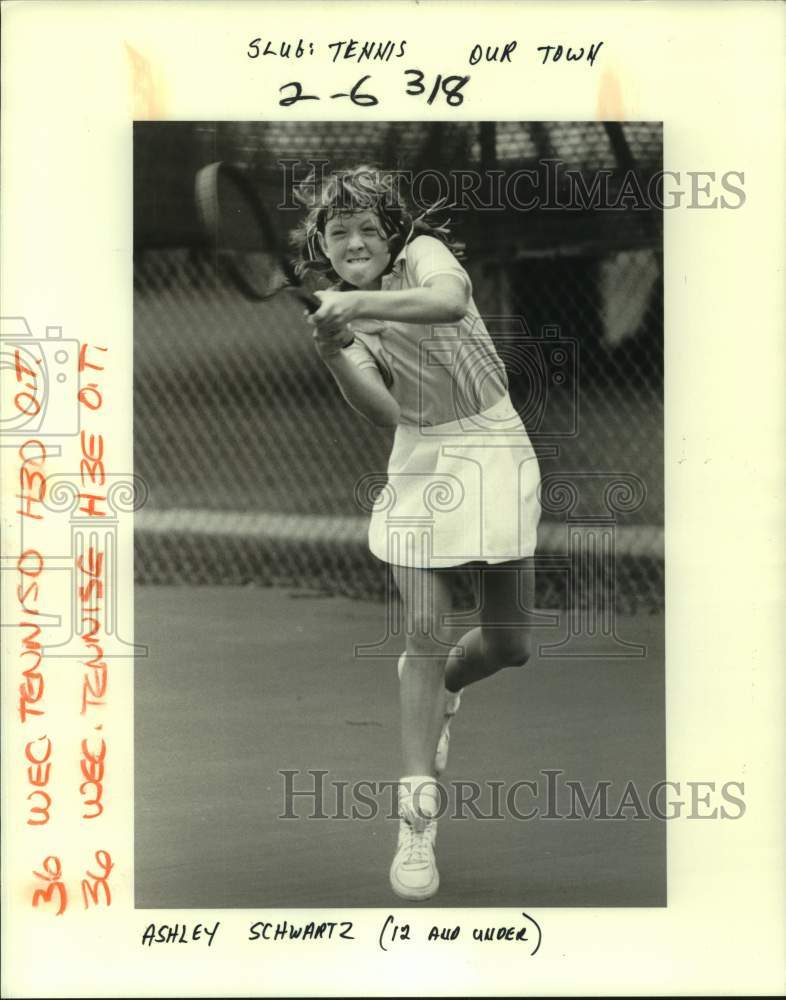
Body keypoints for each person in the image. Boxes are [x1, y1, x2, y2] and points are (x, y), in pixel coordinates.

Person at [293, 166, 541, 901]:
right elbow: (382, 410)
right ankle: (415, 824)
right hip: (421, 460)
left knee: (509, 645)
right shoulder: (342, 312)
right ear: (323, 245)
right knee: (425, 631)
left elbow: (448, 301)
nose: (355, 241)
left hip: (495, 447)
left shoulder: (427, 255)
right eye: (339, 233)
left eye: (370, 226)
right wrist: (335, 346)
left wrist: (356, 303)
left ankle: (450, 691)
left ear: (395, 231)